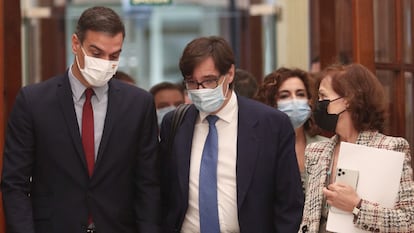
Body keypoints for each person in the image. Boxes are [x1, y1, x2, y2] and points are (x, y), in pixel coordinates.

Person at [1, 6, 161, 233]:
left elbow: (148, 185)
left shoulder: (138, 104)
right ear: (76, 44)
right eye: (96, 53)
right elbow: (14, 183)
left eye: (114, 56)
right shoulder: (33, 102)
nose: (105, 62)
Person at [159, 36, 303, 233]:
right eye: (192, 83)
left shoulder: (271, 125)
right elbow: (165, 194)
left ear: (230, 73)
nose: (200, 90)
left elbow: (289, 203)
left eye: (209, 81)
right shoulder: (175, 124)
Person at [299, 63, 414, 232]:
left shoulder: (390, 148)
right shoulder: (315, 152)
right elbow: (309, 219)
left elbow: (409, 220)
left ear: (348, 100)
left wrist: (357, 206)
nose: (318, 105)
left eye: (323, 97)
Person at [255, 67, 327, 189]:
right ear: (271, 103)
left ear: (309, 100)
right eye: (284, 96)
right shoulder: (259, 148)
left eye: (300, 94)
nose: (294, 101)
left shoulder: (326, 146)